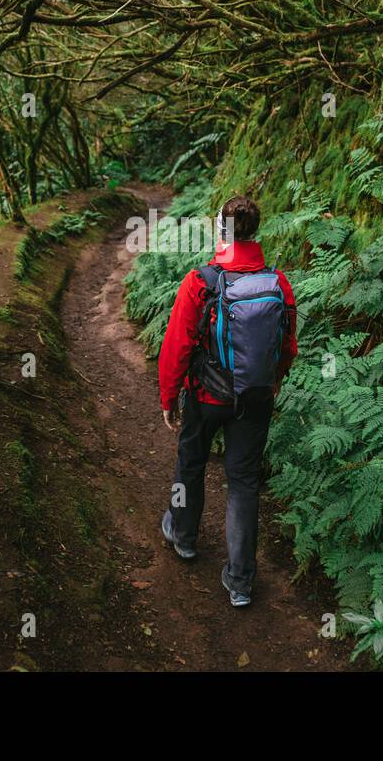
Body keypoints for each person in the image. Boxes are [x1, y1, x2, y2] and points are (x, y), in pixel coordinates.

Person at [156, 195, 297, 607]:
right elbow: (287, 345)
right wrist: (273, 382)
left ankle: (182, 536)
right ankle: (240, 581)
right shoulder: (277, 283)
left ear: (222, 230)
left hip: (205, 396)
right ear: (254, 232)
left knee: (191, 463)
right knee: (244, 483)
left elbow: (177, 347)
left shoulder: (201, 281)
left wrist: (170, 397)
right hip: (254, 399)